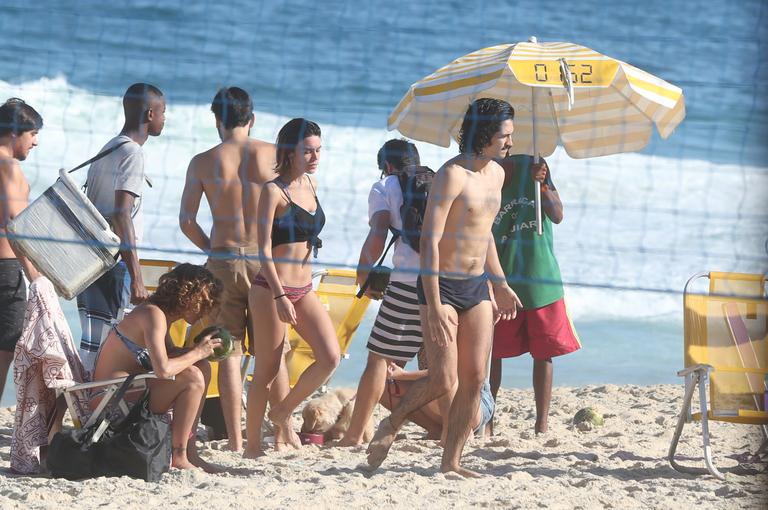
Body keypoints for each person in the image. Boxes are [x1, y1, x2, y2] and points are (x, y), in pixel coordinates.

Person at [366, 98, 523, 477]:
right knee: (443, 379)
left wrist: (499, 283)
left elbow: (484, 235)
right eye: (505, 135)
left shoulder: (498, 174)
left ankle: (451, 461)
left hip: (476, 287)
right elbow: (431, 242)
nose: (509, 143)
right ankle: (391, 423)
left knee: (475, 380)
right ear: (484, 133)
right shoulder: (451, 176)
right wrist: (433, 306)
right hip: (441, 287)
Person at [179, 86, 292, 452]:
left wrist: (212, 249)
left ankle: (237, 440)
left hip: (222, 261)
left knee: (229, 351)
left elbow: (187, 221)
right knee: (273, 350)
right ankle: (283, 433)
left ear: (217, 120)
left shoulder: (202, 161)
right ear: (252, 118)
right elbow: (293, 209)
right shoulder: (273, 155)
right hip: (264, 260)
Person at [244, 118, 340, 458]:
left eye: (318, 150)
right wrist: (280, 295)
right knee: (267, 369)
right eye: (307, 151)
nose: (315, 157)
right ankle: (252, 446)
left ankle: (283, 411)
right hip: (273, 290)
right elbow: (262, 249)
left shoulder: (311, 184)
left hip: (304, 288)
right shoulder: (273, 191)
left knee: (330, 356)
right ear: (290, 152)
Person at [338, 139, 427, 447]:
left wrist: (363, 275)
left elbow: (378, 234)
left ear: (387, 166)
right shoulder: (440, 179)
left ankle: (353, 436)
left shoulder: (385, 187)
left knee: (380, 358)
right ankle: (448, 426)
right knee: (429, 363)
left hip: (406, 281)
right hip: (445, 279)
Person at [91, 263, 223, 471]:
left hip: (126, 392)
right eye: (204, 301)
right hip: (110, 403)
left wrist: (201, 351)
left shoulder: (160, 315)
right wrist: (197, 351)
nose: (207, 307)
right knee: (192, 376)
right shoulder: (154, 315)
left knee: (201, 366)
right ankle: (179, 457)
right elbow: (163, 369)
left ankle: (190, 452)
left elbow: (169, 356)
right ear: (187, 295)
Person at [77, 83, 166, 373]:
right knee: (113, 344)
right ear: (150, 113)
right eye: (163, 112)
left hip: (91, 261)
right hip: (114, 265)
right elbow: (121, 214)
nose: (164, 119)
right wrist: (138, 277)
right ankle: (94, 408)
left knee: (93, 341)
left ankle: (82, 406)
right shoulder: (133, 154)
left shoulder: (109, 147)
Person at [489, 155, 580, 434]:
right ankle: (487, 421)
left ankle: (542, 423)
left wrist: (543, 184)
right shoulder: (486, 174)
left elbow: (557, 215)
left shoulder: (535, 165)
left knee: (544, 353)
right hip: (502, 277)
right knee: (492, 353)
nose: (507, 144)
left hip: (541, 277)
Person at [0, 98, 42, 402]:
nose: (35, 142)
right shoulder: (9, 166)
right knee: (4, 351)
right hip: (6, 270)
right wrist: (35, 276)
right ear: (15, 132)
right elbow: (15, 223)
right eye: (32, 134)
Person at [381, 362, 494, 440]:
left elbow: (454, 372)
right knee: (381, 386)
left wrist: (404, 375)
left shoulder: (452, 328)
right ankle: (435, 429)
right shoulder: (415, 329)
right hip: (438, 397)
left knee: (444, 383)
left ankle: (460, 429)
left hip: (475, 400)